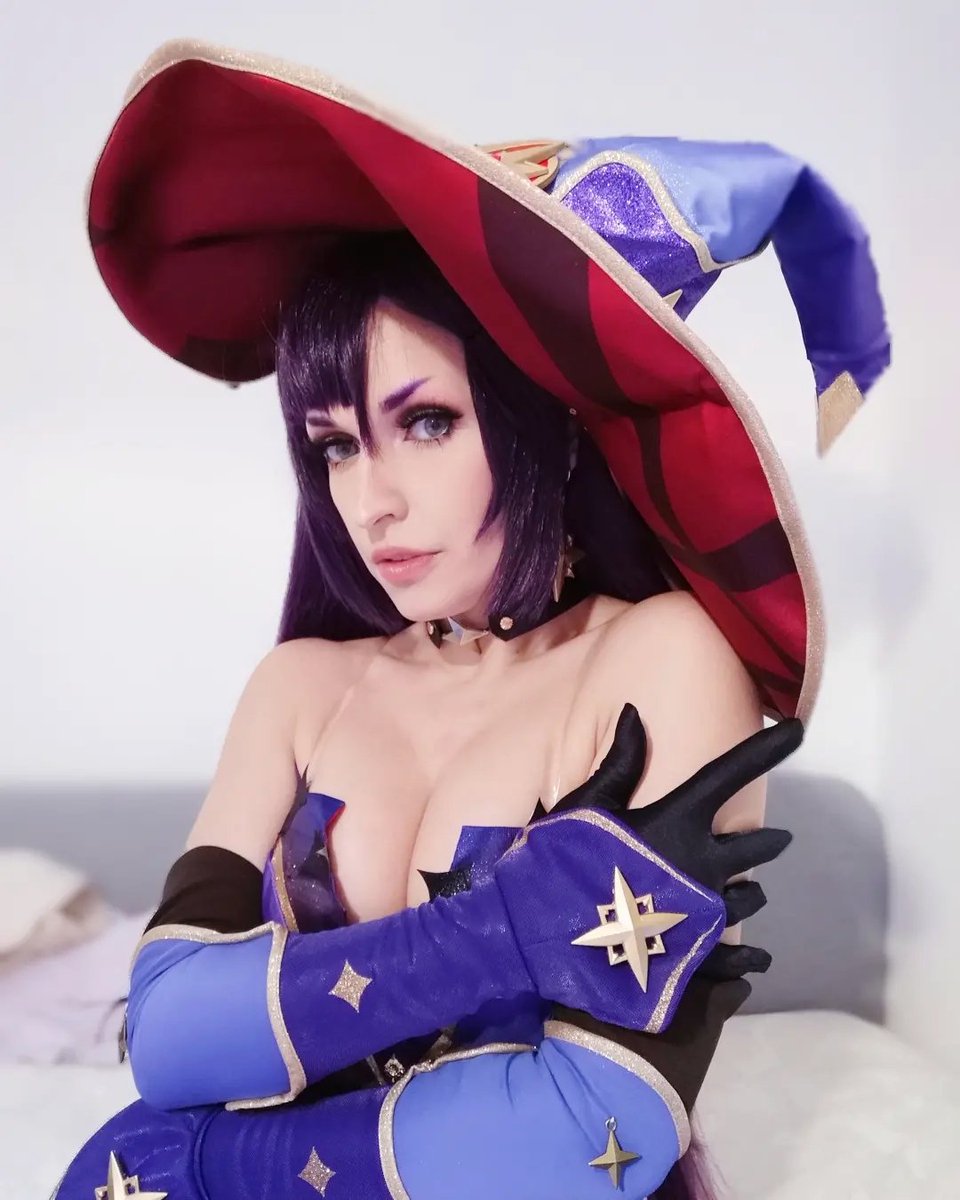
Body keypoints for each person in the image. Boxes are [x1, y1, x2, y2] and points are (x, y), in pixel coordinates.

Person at [52, 36, 889, 1200]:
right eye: (336, 445)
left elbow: (589, 1134)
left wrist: (195, 1156)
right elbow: (172, 1037)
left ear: (540, 416)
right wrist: (507, 928)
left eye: (427, 423)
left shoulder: (662, 660)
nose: (371, 499)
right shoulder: (305, 686)